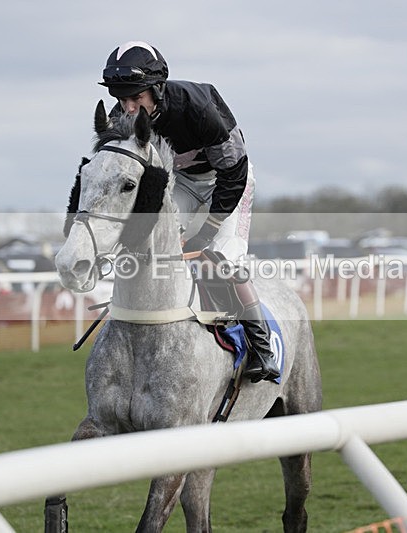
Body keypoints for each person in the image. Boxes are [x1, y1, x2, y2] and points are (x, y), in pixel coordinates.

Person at [98, 41, 279, 383]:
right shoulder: (121, 118)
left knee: (222, 257)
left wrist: (207, 230)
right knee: (152, 243)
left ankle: (261, 345)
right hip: (180, 181)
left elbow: (233, 173)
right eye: (123, 100)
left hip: (227, 181)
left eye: (137, 98)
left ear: (157, 89)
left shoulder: (199, 108)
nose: (129, 108)